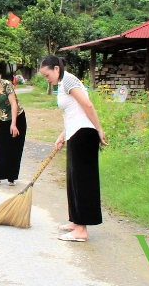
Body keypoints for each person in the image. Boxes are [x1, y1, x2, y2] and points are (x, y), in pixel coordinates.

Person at [39, 55, 108, 242]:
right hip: (75, 133)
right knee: (73, 179)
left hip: (84, 134)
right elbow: (72, 111)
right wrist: (62, 135)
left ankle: (81, 230)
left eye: (47, 75)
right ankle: (76, 221)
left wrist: (99, 129)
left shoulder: (68, 80)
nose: (47, 79)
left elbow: (87, 105)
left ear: (56, 69)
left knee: (82, 180)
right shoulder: (63, 83)